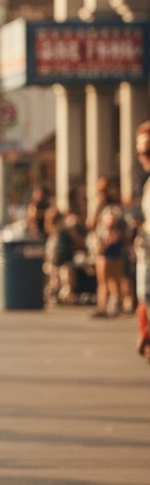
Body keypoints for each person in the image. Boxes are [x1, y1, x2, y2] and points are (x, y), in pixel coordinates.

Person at [88, 176, 132, 318]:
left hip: (112, 244)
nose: (101, 193)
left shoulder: (114, 207)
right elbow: (91, 224)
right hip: (102, 245)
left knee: (115, 277)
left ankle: (116, 305)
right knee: (103, 278)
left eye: (104, 189)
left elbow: (113, 223)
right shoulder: (100, 206)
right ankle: (103, 306)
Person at [134, 123, 150, 362]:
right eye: (141, 152)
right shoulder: (146, 182)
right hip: (146, 250)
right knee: (144, 296)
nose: (144, 157)